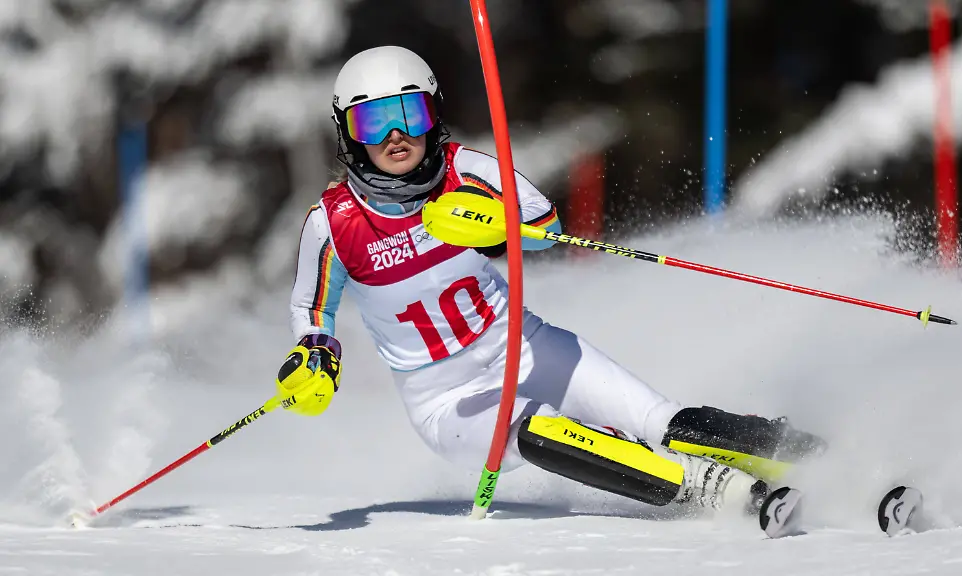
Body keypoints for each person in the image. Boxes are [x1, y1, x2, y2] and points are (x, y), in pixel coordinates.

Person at [277, 45, 825, 516]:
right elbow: (313, 312)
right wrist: (315, 358)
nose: (396, 135)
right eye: (373, 122)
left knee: (662, 419)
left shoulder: (464, 170)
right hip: (445, 399)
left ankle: (827, 459)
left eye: (410, 114)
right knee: (535, 432)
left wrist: (498, 227)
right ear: (348, 134)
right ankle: (708, 489)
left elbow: (547, 228)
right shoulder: (333, 223)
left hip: (526, 345)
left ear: (433, 114)